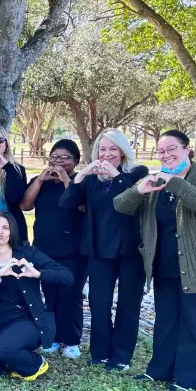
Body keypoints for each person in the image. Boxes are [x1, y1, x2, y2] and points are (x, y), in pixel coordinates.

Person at [114, 131, 196, 391]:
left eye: (171, 149)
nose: (166, 155)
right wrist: (139, 190)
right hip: (165, 265)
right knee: (166, 321)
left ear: (187, 149)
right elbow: (121, 205)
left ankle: (187, 380)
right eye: (161, 151)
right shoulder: (155, 181)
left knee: (194, 323)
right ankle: (159, 371)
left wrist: (174, 182)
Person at [59, 128, 148, 370]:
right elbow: (66, 203)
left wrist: (114, 175)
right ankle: (100, 352)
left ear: (122, 152)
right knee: (99, 303)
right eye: (102, 149)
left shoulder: (137, 173)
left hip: (130, 251)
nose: (107, 154)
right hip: (98, 251)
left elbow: (132, 198)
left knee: (128, 304)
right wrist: (83, 174)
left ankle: (121, 356)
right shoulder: (91, 179)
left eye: (112, 149)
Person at [0, 212, 73, 381]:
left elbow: (67, 276)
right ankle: (10, 357)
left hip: (26, 319)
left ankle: (36, 362)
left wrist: (38, 273)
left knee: (3, 348)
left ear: (12, 231)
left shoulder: (27, 253)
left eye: (5, 227)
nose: (0, 232)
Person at [20, 139, 87, 359]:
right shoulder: (42, 181)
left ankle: (71, 340)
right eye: (54, 157)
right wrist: (39, 180)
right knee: (50, 295)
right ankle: (51, 337)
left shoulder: (81, 181)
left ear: (75, 161)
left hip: (73, 249)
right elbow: (25, 205)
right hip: (44, 247)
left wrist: (68, 180)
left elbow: (81, 206)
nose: (58, 162)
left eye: (65, 158)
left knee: (71, 294)